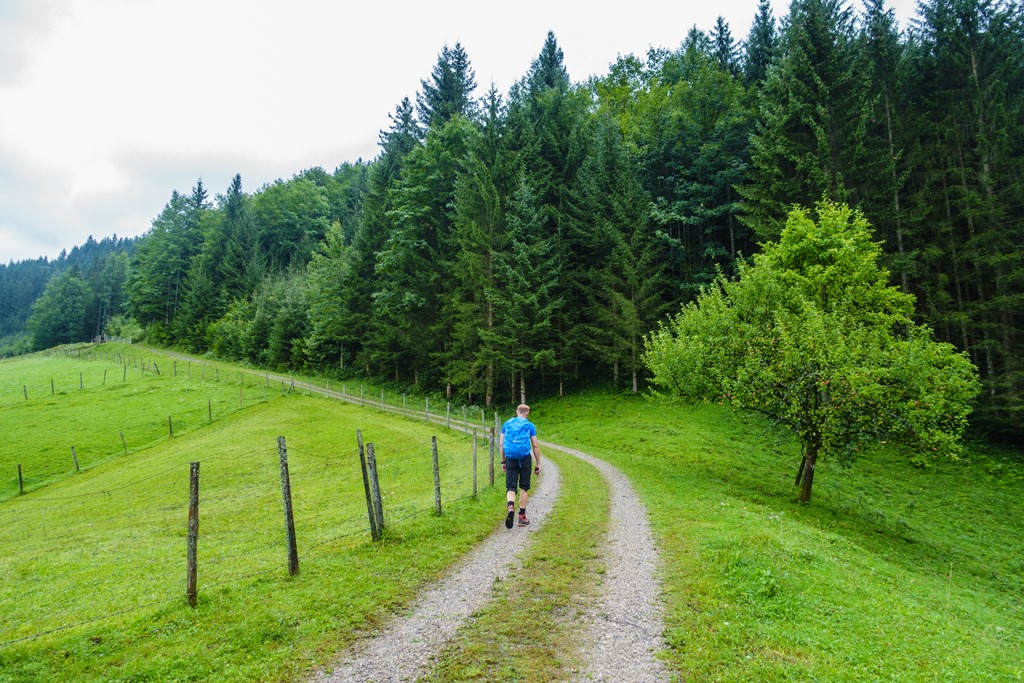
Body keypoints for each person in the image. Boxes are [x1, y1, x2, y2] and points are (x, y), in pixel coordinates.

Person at [499, 403, 542, 528]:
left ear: (517, 411)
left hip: (510, 458)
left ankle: (510, 506)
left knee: (511, 487)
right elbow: (535, 445)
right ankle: (522, 517)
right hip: (524, 459)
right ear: (527, 413)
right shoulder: (530, 425)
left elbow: (501, 444)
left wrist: (503, 461)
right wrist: (538, 463)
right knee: (524, 487)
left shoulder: (507, 424)